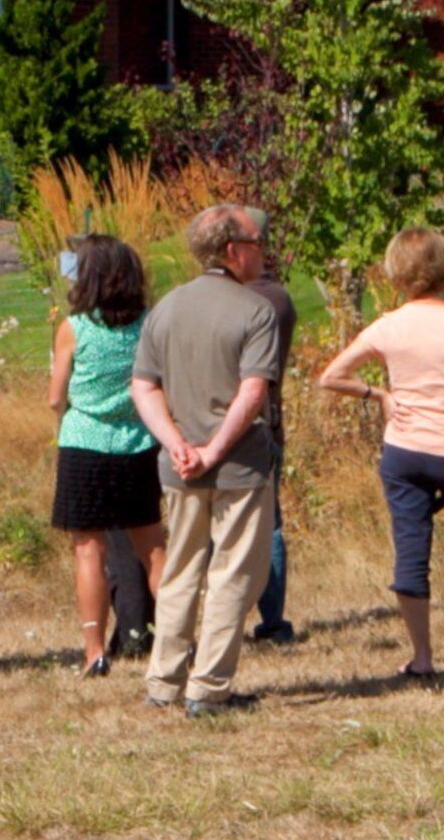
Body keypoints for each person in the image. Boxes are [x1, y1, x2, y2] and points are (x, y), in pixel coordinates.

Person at [316, 227, 444, 676]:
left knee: (411, 551)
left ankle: (423, 658)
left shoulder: (388, 326)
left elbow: (331, 376)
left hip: (405, 452)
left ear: (396, 274)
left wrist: (379, 394)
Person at [128, 202, 284, 714]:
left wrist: (176, 443)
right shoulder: (256, 310)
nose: (263, 253)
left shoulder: (166, 308)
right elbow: (253, 392)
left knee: (179, 570)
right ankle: (209, 688)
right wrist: (214, 451)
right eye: (257, 245)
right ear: (233, 250)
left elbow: (143, 386)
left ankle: (163, 682)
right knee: (232, 574)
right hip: (238, 467)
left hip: (179, 467)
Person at [45, 233, 163, 676]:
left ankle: (94, 650)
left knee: (88, 550)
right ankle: (178, 640)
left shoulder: (75, 328)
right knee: (152, 548)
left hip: (84, 444)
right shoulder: (148, 324)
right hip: (137, 441)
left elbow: (55, 396)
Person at [247, 237, 303, 647]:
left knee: (259, 526)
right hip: (271, 422)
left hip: (251, 423)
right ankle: (272, 619)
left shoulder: (251, 300)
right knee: (270, 523)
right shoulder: (280, 298)